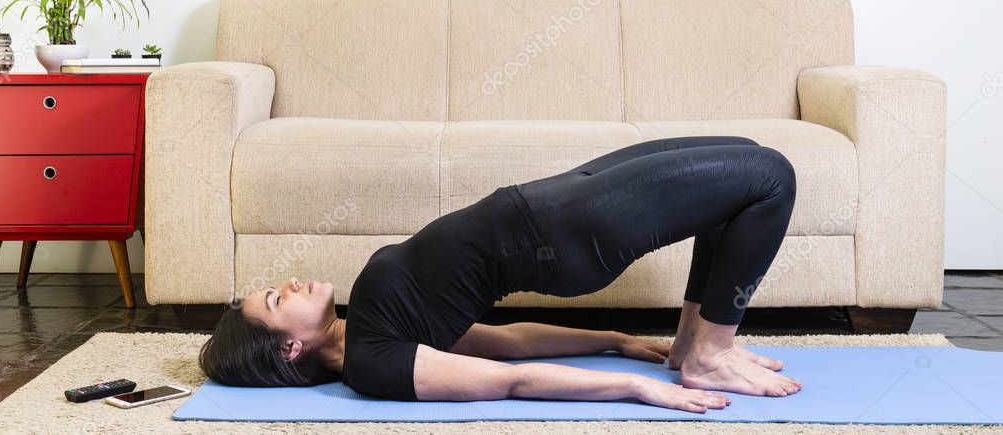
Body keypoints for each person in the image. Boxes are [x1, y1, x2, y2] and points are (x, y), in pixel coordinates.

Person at [199, 135, 800, 414]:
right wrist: (631, 386)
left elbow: (507, 343)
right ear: (291, 348)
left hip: (550, 203)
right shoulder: (375, 365)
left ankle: (693, 344)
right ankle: (707, 355)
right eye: (278, 299)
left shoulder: (369, 331)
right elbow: (510, 380)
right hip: (566, 234)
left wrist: (616, 342)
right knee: (769, 175)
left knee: (739, 165)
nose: (293, 283)